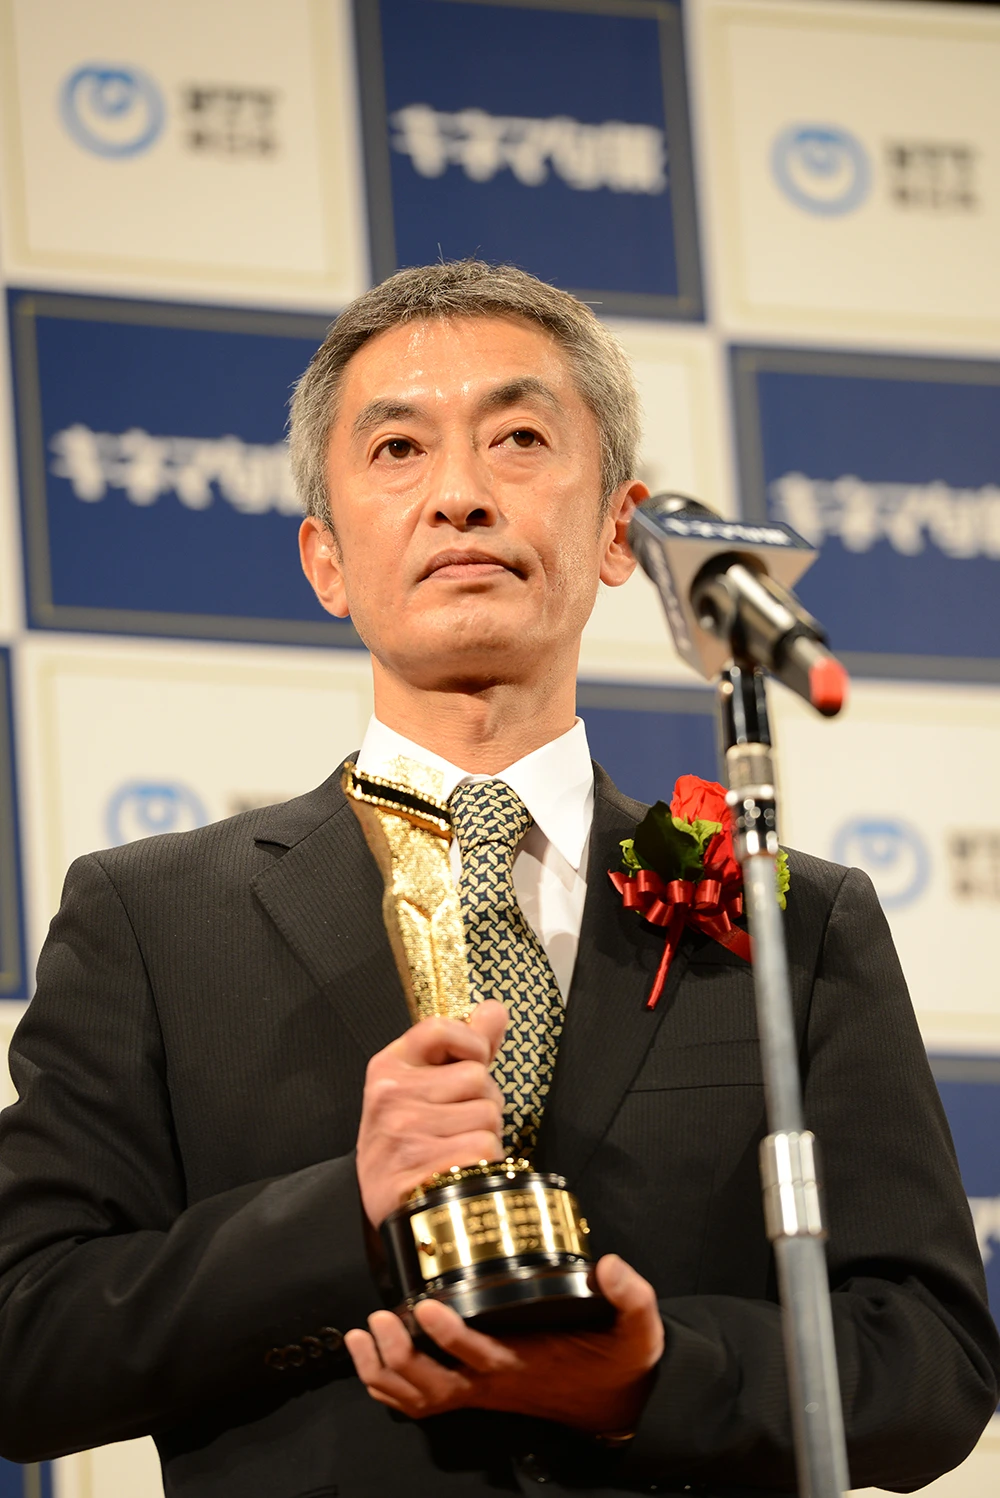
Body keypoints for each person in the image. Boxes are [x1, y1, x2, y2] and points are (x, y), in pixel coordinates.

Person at [0, 261, 996, 1498]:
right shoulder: (155, 921)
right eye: (398, 449)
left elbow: (933, 1361)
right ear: (324, 559)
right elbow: (24, 1343)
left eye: (519, 438)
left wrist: (653, 1379)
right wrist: (342, 1213)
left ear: (619, 531)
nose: (460, 494)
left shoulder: (792, 918)